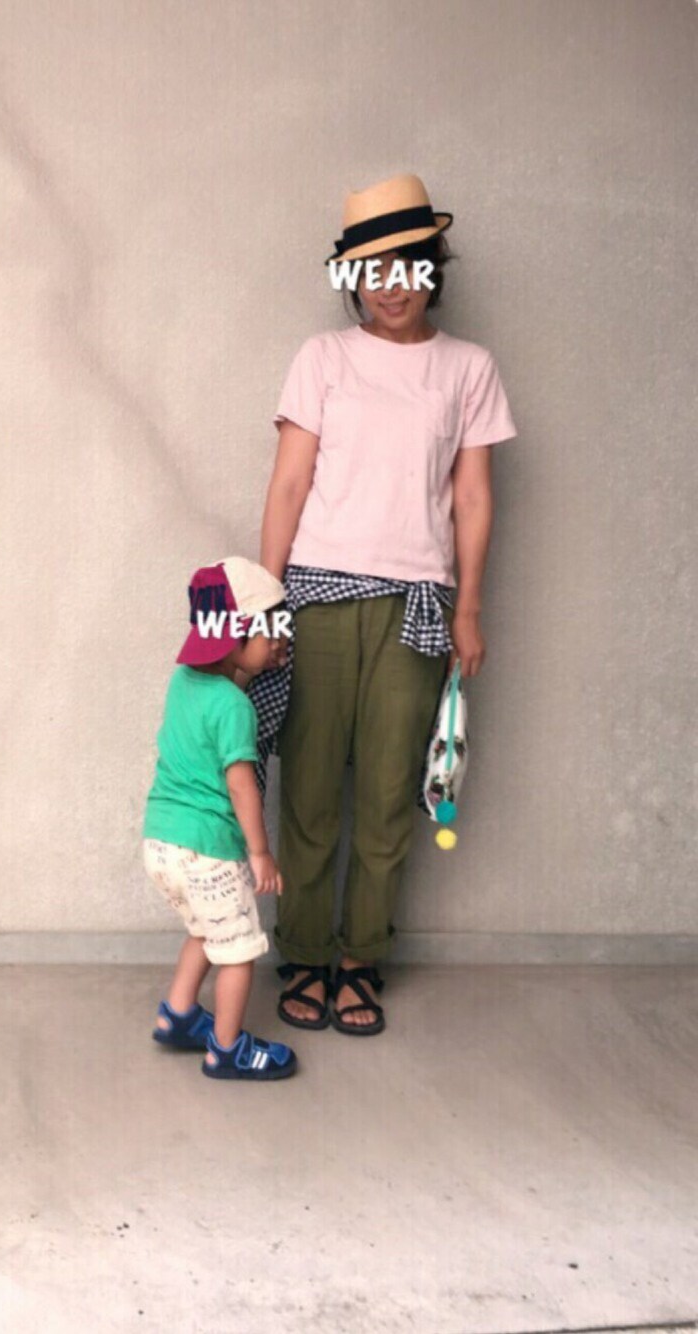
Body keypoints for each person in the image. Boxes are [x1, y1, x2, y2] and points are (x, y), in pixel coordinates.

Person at [250, 172, 517, 1036]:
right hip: (318, 597)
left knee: (389, 792)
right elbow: (289, 485)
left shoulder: (468, 368)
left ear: (432, 268)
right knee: (310, 791)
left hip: (417, 608)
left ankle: (361, 959)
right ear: (351, 278)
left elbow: (472, 497)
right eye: (372, 270)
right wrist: (266, 601)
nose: (391, 285)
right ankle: (303, 953)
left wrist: (468, 609)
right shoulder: (322, 359)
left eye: (408, 265)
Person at [142, 557, 298, 1081]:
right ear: (234, 637)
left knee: (205, 928)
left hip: (161, 842)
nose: (279, 641)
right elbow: (240, 784)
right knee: (236, 950)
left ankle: (179, 1014)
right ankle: (226, 1049)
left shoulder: (183, 683)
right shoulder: (235, 707)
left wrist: (254, 663)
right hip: (207, 848)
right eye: (270, 630)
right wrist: (260, 852)